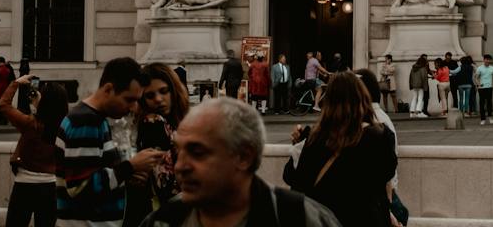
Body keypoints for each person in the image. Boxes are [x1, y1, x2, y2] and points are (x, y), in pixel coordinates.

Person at [145, 98, 340, 227]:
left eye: (197, 152)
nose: (180, 166)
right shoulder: (163, 221)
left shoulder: (303, 219)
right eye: (180, 150)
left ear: (244, 157)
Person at [56, 57, 164, 226]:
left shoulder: (91, 118)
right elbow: (80, 189)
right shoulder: (87, 121)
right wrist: (130, 167)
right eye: (129, 99)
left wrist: (126, 175)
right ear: (108, 89)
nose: (134, 107)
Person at [284, 72, 398, 227]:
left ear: (328, 101)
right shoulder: (379, 137)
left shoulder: (315, 139)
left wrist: (299, 144)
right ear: (362, 98)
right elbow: (387, 172)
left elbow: (293, 178)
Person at [124, 64, 189, 227]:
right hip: (163, 213)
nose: (158, 99)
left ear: (174, 90)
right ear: (142, 99)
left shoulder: (173, 122)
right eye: (150, 95)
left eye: (163, 91)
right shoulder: (153, 121)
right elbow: (164, 181)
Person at [0, 77, 67, 227]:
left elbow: (4, 105)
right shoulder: (65, 127)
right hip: (50, 187)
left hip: (24, 185)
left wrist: (16, 83)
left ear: (44, 102)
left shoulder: (30, 124)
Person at [474, 55, 493, 124]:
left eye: (488, 59)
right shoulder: (480, 68)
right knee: (482, 103)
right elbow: (476, 77)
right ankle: (482, 119)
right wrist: (478, 84)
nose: (487, 61)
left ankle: (490, 116)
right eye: (486, 59)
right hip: (481, 88)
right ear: (483, 60)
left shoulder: (492, 68)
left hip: (489, 87)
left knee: (489, 103)